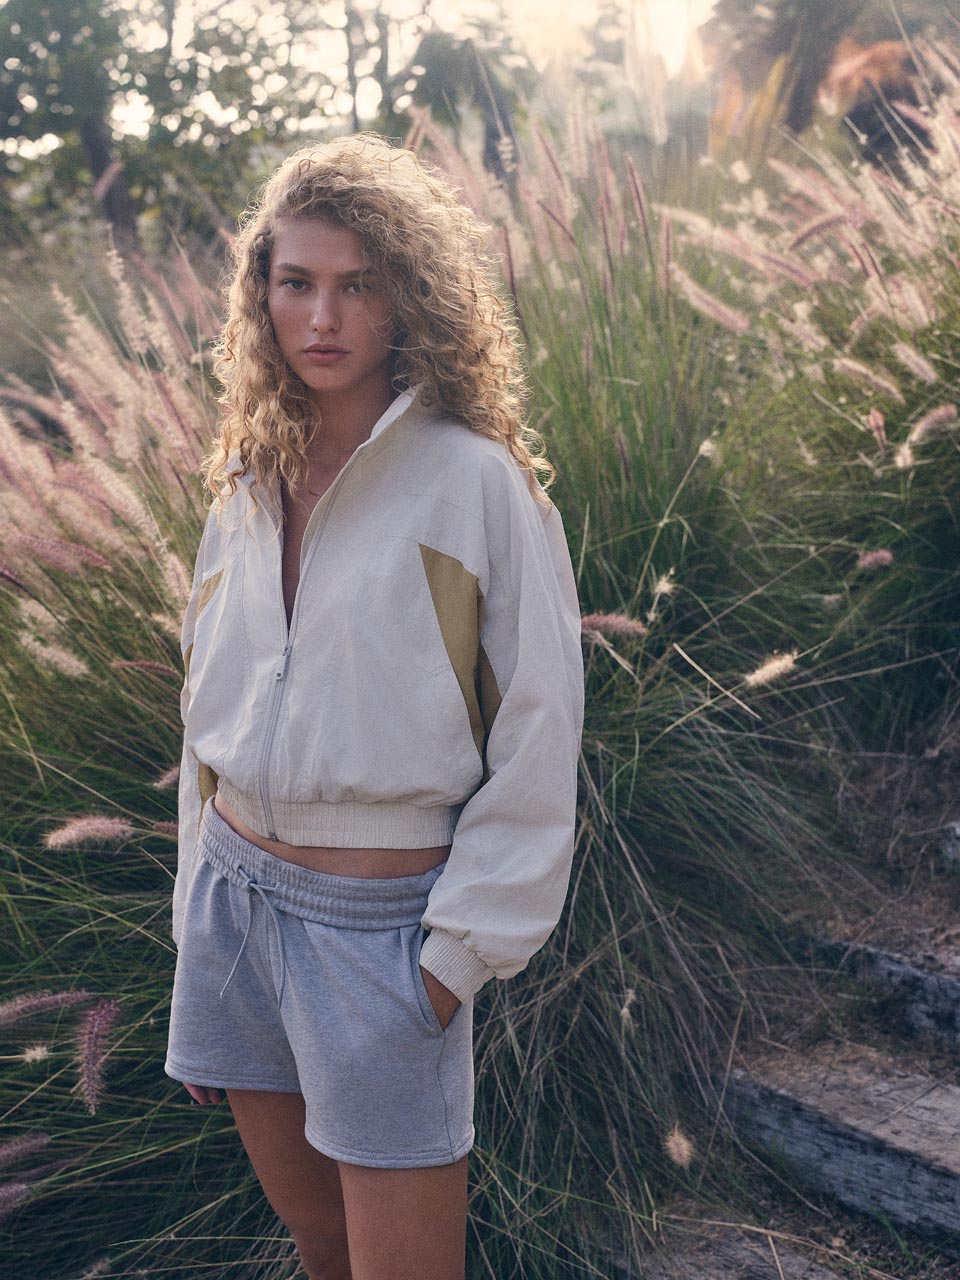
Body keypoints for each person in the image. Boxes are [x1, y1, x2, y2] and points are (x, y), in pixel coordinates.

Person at [163, 132, 585, 1280]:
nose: (323, 316)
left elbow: (542, 725)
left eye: (358, 283)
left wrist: (455, 955)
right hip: (234, 910)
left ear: (408, 294)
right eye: (295, 282)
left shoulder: (475, 477)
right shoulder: (246, 481)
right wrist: (194, 932)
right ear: (263, 297)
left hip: (383, 937)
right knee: (320, 1246)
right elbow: (209, 714)